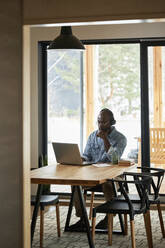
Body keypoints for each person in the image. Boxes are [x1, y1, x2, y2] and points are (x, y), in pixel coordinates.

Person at [70, 108, 127, 230]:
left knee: (108, 184)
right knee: (75, 183)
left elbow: (115, 160)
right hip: (93, 174)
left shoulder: (120, 138)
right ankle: (83, 219)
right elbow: (87, 156)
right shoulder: (92, 136)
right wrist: (80, 158)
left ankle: (109, 218)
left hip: (113, 175)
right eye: (99, 121)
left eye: (104, 122)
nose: (100, 125)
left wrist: (105, 139)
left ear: (112, 122)